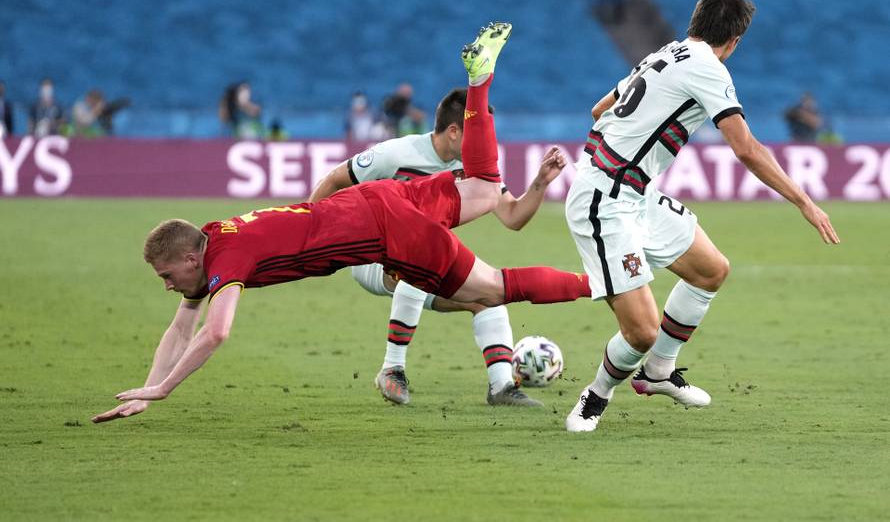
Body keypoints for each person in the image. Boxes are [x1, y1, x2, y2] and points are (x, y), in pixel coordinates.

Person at [93, 22, 593, 424]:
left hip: (382, 229)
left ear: (188, 256)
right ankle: (479, 81)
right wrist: (146, 391)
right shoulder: (215, 235)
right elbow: (183, 326)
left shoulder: (228, 257)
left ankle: (599, 283)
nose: (168, 287)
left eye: (167, 276)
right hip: (381, 202)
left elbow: (214, 332)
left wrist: (165, 387)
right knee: (484, 186)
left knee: (493, 290)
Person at [563, 0, 840, 433]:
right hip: (604, 202)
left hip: (633, 193)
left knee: (710, 269)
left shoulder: (667, 52)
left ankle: (657, 373)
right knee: (641, 333)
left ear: (696, 22)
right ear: (735, 41)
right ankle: (594, 396)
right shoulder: (708, 68)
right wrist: (804, 200)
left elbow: (600, 109)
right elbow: (746, 149)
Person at [310, 87, 567, 407]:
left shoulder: (475, 169)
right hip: (371, 258)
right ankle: (392, 368)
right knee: (419, 262)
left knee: (488, 296)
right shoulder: (396, 154)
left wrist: (540, 182)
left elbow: (513, 217)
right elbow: (335, 179)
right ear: (454, 131)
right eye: (479, 134)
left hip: (422, 260)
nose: (485, 144)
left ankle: (501, 387)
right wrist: (308, 232)